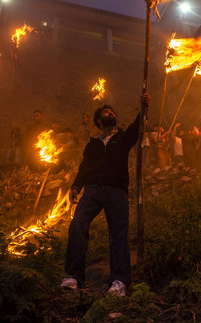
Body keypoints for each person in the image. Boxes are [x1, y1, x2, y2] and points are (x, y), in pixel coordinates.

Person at [61, 93, 150, 297]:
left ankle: (119, 281)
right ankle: (73, 277)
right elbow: (84, 167)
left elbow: (137, 128)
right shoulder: (92, 144)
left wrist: (143, 108)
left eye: (111, 112)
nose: (110, 113)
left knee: (118, 233)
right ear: (99, 121)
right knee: (77, 224)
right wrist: (76, 186)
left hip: (116, 190)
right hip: (92, 190)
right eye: (105, 112)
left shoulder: (122, 138)